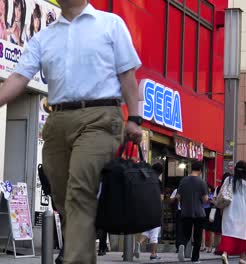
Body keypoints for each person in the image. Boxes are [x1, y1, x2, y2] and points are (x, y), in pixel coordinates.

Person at [0, 1, 143, 263]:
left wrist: (134, 118)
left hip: (100, 118)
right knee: (65, 200)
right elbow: (19, 78)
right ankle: (80, 255)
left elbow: (127, 75)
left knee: (80, 189)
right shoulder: (44, 36)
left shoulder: (110, 25)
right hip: (58, 120)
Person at [217, 161, 246, 264]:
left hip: (229, 211)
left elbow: (222, 193)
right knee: (244, 235)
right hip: (243, 213)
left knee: (228, 233)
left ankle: (225, 254)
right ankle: (242, 258)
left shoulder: (228, 180)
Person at [177, 161, 208, 263]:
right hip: (199, 212)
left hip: (186, 211)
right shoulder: (201, 182)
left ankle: (182, 244)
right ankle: (195, 259)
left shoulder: (183, 181)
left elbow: (178, 196)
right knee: (197, 236)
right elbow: (205, 199)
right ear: (199, 170)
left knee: (186, 233)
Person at [133, 162, 165, 261]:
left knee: (148, 229)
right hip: (155, 209)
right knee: (155, 233)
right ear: (160, 173)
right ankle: (153, 254)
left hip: (144, 208)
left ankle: (138, 244)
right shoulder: (158, 182)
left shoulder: (145, 179)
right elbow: (161, 198)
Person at [201, 184, 215, 253]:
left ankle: (210, 247)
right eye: (207, 188)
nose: (208, 190)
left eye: (209, 188)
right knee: (202, 229)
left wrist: (211, 201)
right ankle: (203, 245)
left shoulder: (213, 194)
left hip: (211, 211)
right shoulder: (203, 194)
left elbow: (215, 202)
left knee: (211, 230)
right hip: (203, 211)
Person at [170, 187, 183, 253]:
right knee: (178, 229)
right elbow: (171, 200)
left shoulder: (189, 189)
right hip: (180, 212)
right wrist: (176, 197)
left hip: (188, 211)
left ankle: (185, 246)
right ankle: (178, 247)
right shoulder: (177, 190)